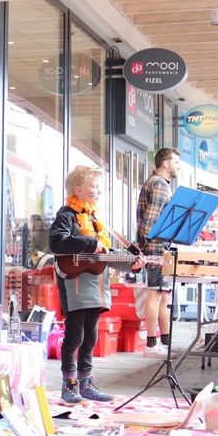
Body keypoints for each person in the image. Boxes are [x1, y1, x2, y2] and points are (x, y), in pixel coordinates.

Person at [51, 165, 144, 404]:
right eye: (94, 186)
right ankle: (69, 384)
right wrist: (88, 243)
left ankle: (86, 382)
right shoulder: (67, 215)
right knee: (75, 335)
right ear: (78, 189)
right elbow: (57, 242)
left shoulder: (93, 218)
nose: (98, 191)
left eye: (99, 187)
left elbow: (105, 253)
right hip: (76, 285)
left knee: (91, 336)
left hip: (96, 286)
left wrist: (131, 265)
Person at [134, 147, 179, 349]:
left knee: (163, 294)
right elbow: (149, 221)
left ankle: (161, 341)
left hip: (155, 248)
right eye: (176, 162)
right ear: (166, 163)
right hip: (156, 248)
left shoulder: (155, 183)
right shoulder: (160, 185)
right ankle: (153, 343)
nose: (178, 167)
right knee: (156, 294)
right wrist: (143, 248)